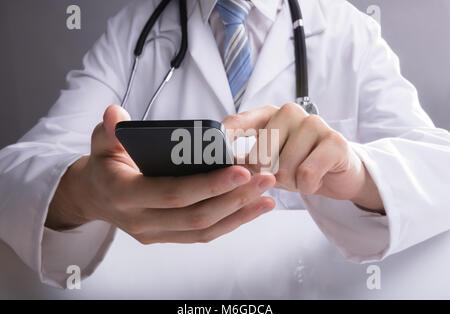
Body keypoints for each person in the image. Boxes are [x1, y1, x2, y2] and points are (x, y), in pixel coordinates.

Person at [1, 0, 450, 288]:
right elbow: (13, 176)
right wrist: (82, 194)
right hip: (174, 289)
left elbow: (439, 170)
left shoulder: (348, 28)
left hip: (310, 286)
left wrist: (358, 172)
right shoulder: (135, 29)